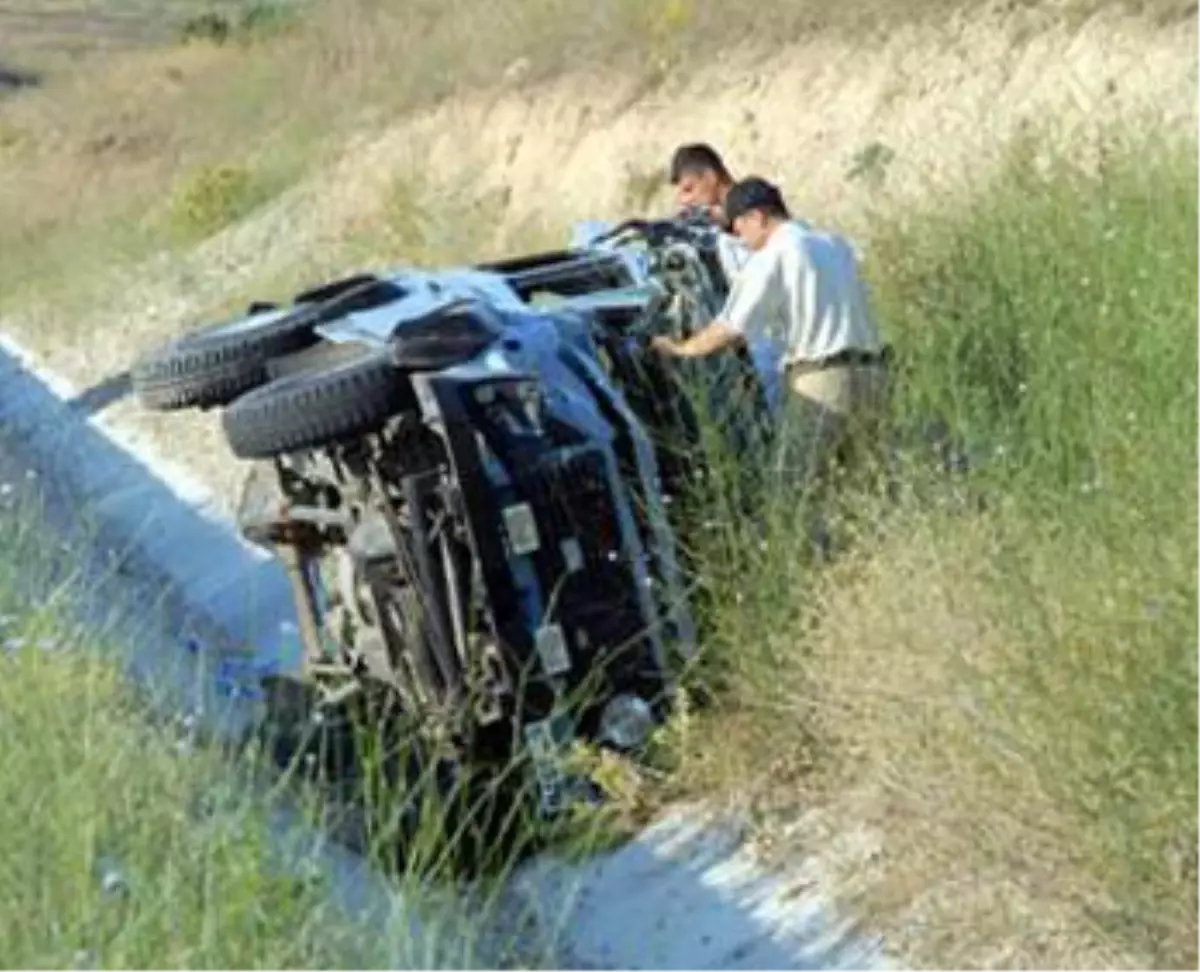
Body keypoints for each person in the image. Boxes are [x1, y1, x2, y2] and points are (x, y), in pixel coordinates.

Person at [650, 176, 890, 496]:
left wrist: (682, 350)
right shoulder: (835, 244)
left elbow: (731, 326)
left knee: (792, 488)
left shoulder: (775, 253)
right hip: (874, 374)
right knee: (863, 485)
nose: (740, 239)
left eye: (739, 228)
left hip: (823, 382)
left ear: (757, 217)